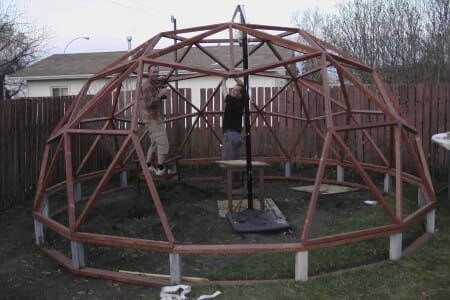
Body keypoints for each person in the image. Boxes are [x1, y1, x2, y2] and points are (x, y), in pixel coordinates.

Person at [142, 64, 170, 176]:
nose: (155, 74)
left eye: (157, 72)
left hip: (153, 118)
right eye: (153, 72)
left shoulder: (153, 84)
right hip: (153, 119)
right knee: (163, 143)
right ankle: (160, 169)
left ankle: (148, 166)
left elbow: (162, 84)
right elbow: (148, 104)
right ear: (148, 73)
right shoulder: (147, 86)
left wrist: (163, 81)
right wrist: (160, 95)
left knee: (154, 143)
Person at [221, 77, 245, 186]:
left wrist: (223, 80)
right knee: (237, 159)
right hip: (238, 136)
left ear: (239, 94)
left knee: (228, 160)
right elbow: (242, 85)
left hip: (230, 135)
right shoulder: (242, 101)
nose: (232, 91)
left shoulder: (231, 100)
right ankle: (236, 183)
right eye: (233, 89)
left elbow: (224, 91)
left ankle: (228, 185)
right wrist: (235, 77)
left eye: (235, 90)